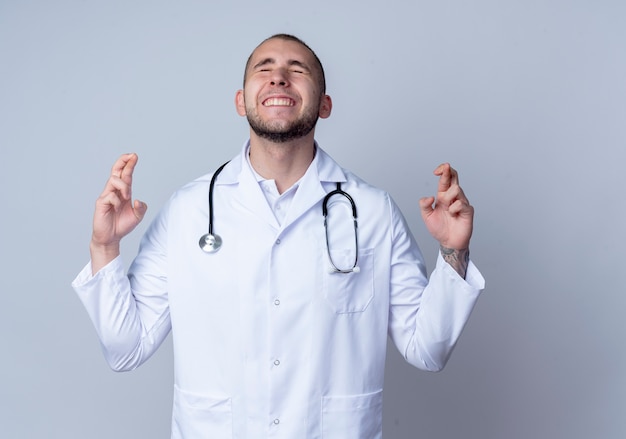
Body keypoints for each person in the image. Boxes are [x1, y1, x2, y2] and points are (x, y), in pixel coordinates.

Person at [72, 33, 485, 438]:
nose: (279, 78)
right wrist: (105, 246)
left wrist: (453, 250)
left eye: (297, 69)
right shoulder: (187, 211)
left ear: (324, 105)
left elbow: (428, 350)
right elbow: (125, 350)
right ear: (241, 101)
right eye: (264, 69)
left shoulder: (373, 212)